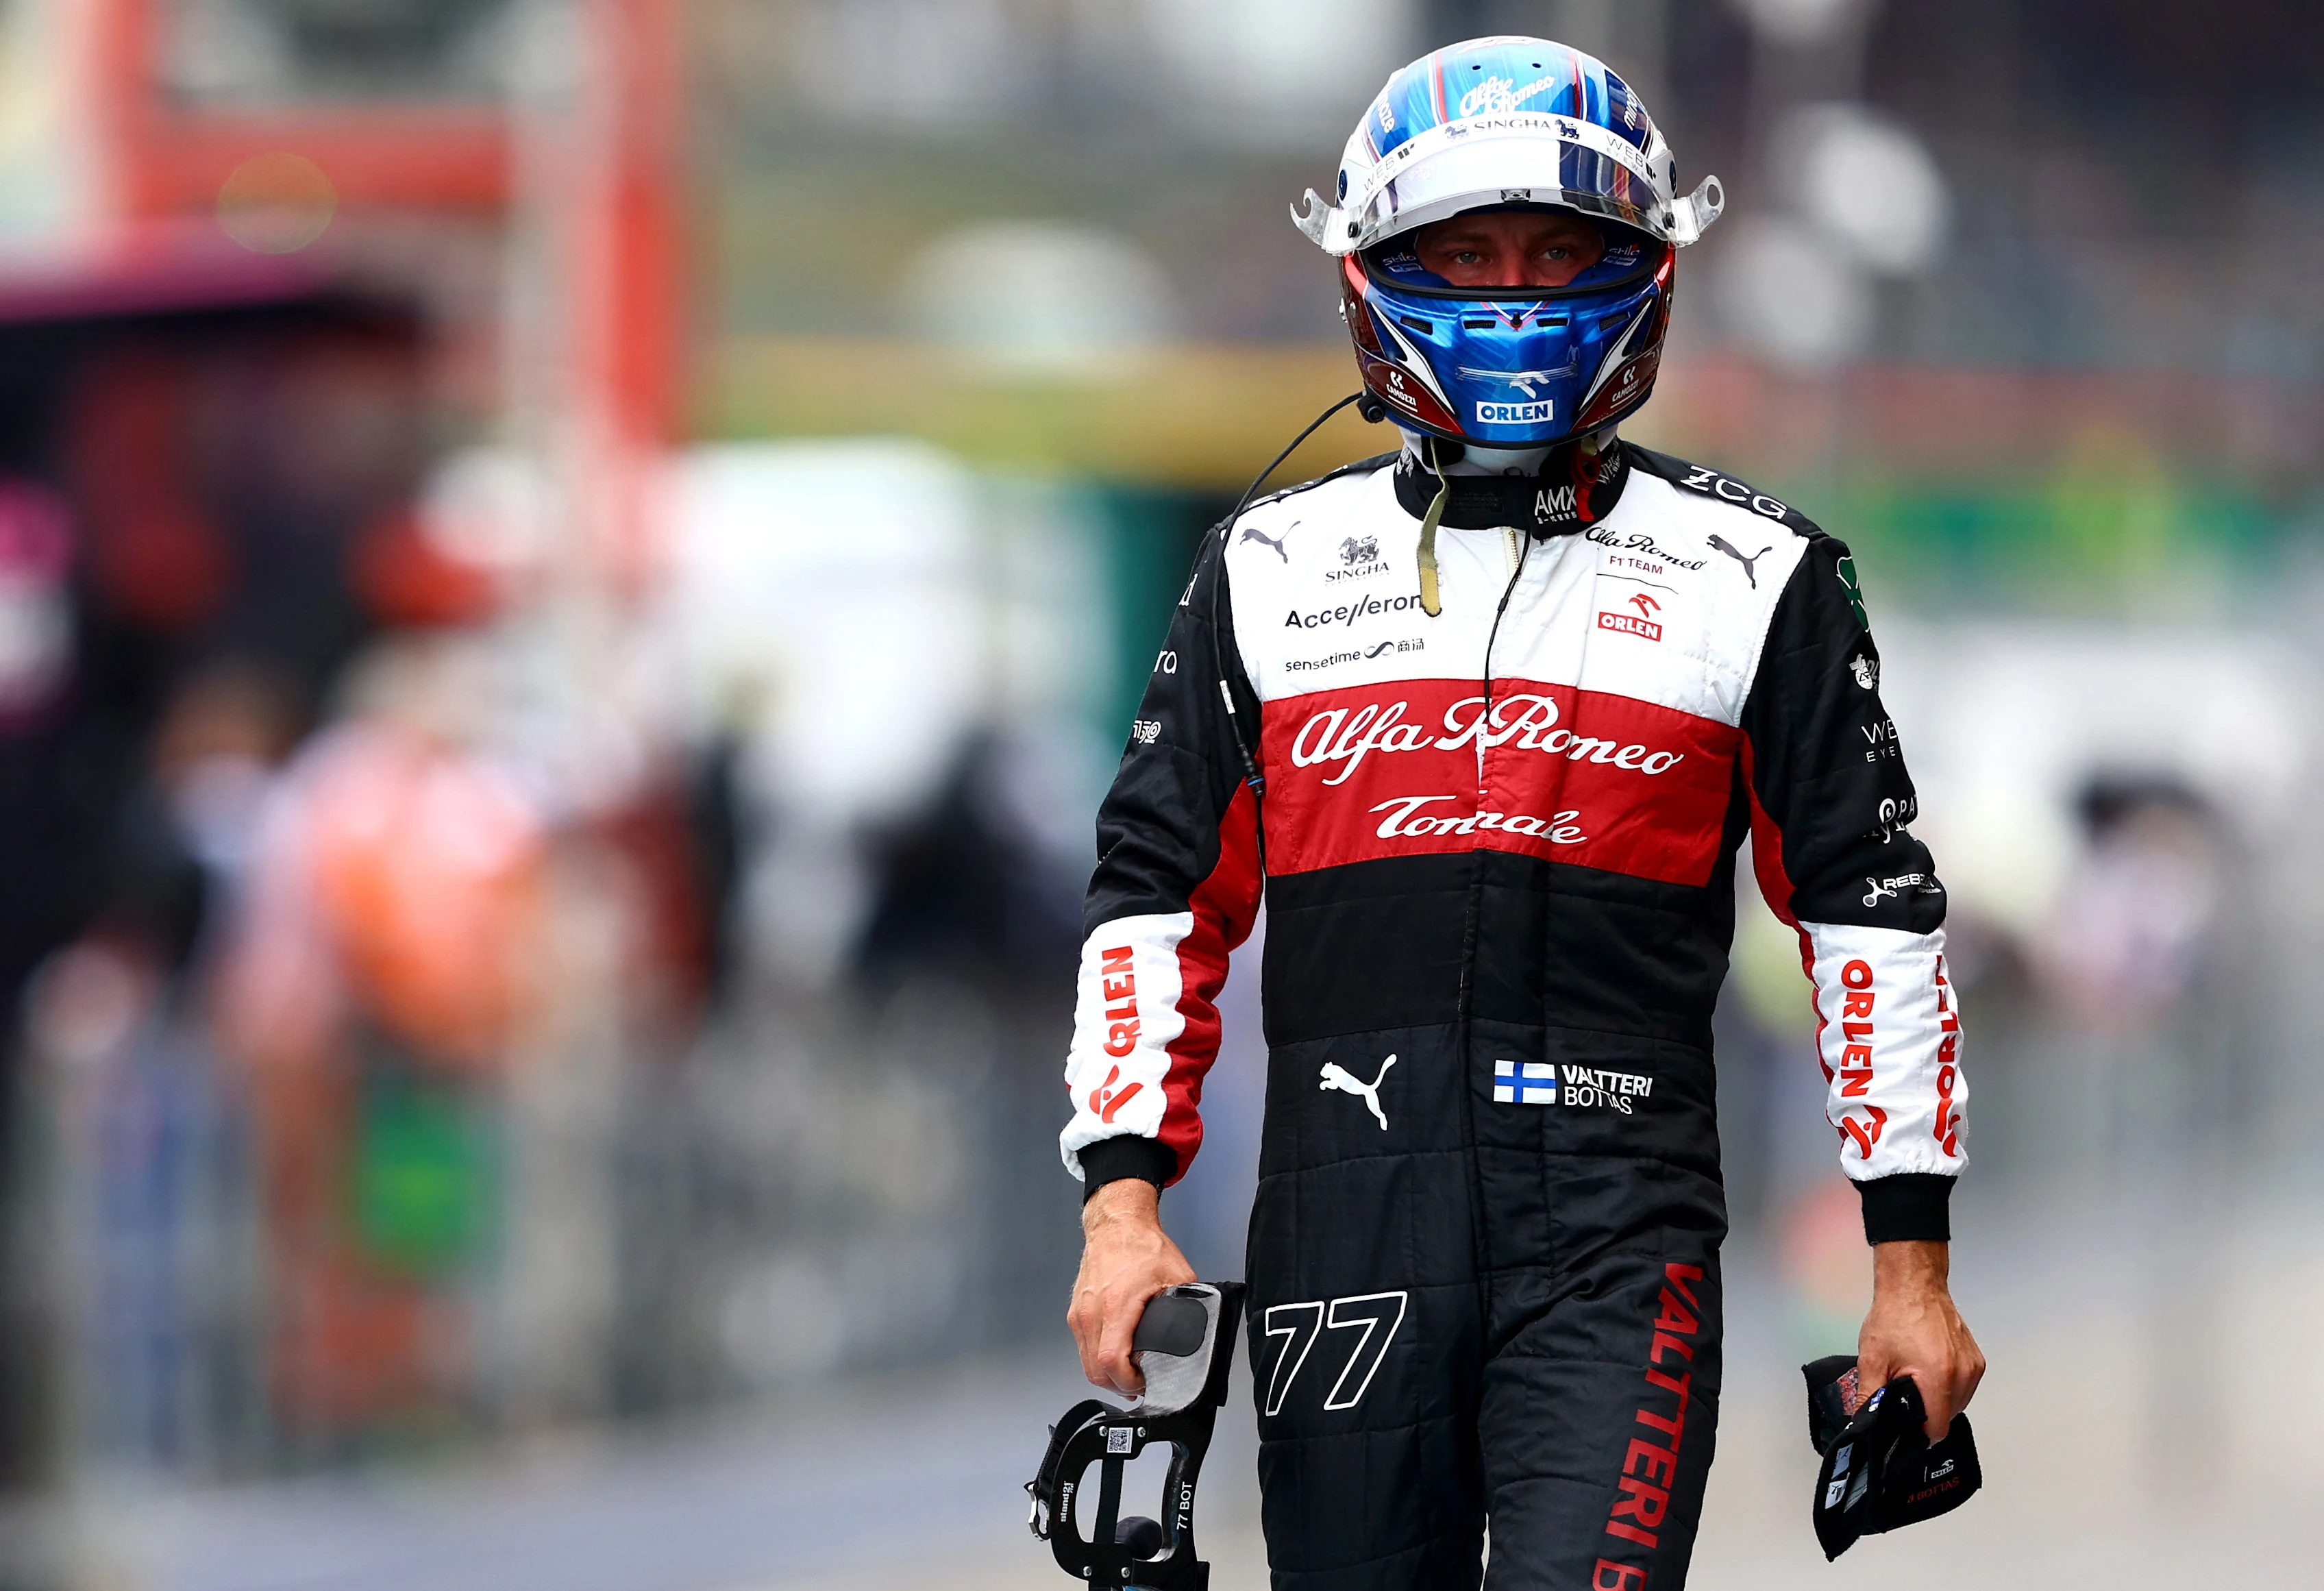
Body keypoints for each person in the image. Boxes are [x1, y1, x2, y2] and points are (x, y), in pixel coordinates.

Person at [1059, 36, 1982, 1591]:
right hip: (1343, 1234)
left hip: (1623, 1236)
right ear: (1371, 269)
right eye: (1466, 253)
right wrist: (1120, 1206)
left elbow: (1870, 919)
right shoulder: (1263, 569)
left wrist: (1910, 1263)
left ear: (1645, 269)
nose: (1513, 294)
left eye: (1558, 254)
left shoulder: (1764, 579)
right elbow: (1153, 898)